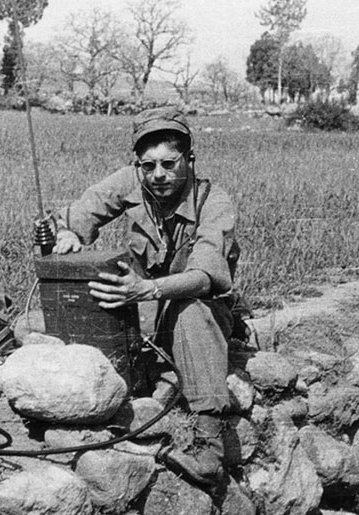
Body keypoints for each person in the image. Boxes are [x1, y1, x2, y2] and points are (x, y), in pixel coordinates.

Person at [53, 106, 240, 492]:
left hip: (200, 309)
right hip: (146, 307)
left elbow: (205, 277)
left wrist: (147, 289)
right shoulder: (133, 181)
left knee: (191, 313)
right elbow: (81, 210)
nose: (157, 175)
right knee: (49, 319)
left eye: (169, 164)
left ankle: (208, 446)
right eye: (147, 165)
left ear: (189, 159)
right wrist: (69, 233)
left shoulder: (214, 201)